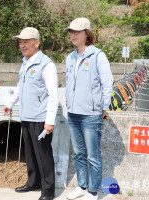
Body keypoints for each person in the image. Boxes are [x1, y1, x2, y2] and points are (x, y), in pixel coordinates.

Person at [3, 27, 58, 200]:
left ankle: (48, 191)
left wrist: (49, 121)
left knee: (43, 155)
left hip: (41, 119)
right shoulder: (25, 62)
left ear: (37, 43)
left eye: (26, 42)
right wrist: (10, 103)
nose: (22, 45)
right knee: (31, 154)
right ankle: (33, 181)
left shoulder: (46, 64)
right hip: (26, 116)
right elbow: (21, 86)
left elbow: (53, 95)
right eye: (20, 42)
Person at [64, 18, 113, 200]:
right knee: (79, 153)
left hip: (91, 114)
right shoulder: (70, 58)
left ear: (87, 33)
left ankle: (93, 191)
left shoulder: (97, 55)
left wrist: (103, 107)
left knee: (93, 155)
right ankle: (82, 186)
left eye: (77, 31)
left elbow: (107, 82)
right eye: (71, 31)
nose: (73, 35)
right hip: (73, 113)